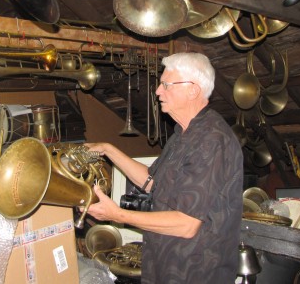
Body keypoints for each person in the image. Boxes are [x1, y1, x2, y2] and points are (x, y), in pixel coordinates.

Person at [85, 52, 244, 283]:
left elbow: (186, 224)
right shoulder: (183, 133)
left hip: (194, 273)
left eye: (166, 84)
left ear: (193, 90)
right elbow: (152, 182)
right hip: (162, 266)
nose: (158, 91)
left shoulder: (212, 140)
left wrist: (117, 215)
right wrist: (108, 149)